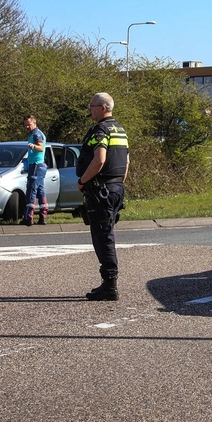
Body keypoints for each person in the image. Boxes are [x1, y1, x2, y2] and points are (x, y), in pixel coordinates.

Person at [76, 93, 129, 301]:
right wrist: (118, 183)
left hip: (101, 190)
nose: (90, 109)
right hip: (115, 188)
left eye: (92, 106)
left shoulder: (102, 129)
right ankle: (108, 282)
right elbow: (126, 162)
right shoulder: (121, 130)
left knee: (103, 237)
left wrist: (82, 182)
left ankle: (109, 285)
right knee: (105, 234)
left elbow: (99, 160)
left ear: (104, 107)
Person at [21, 115, 48, 226]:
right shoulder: (34, 133)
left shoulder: (36, 134)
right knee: (40, 191)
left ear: (34, 123)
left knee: (31, 190)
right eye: (25, 125)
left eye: (29, 124)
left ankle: (28, 218)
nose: (27, 126)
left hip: (36, 165)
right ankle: (43, 216)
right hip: (38, 164)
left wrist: (32, 146)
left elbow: (40, 147)